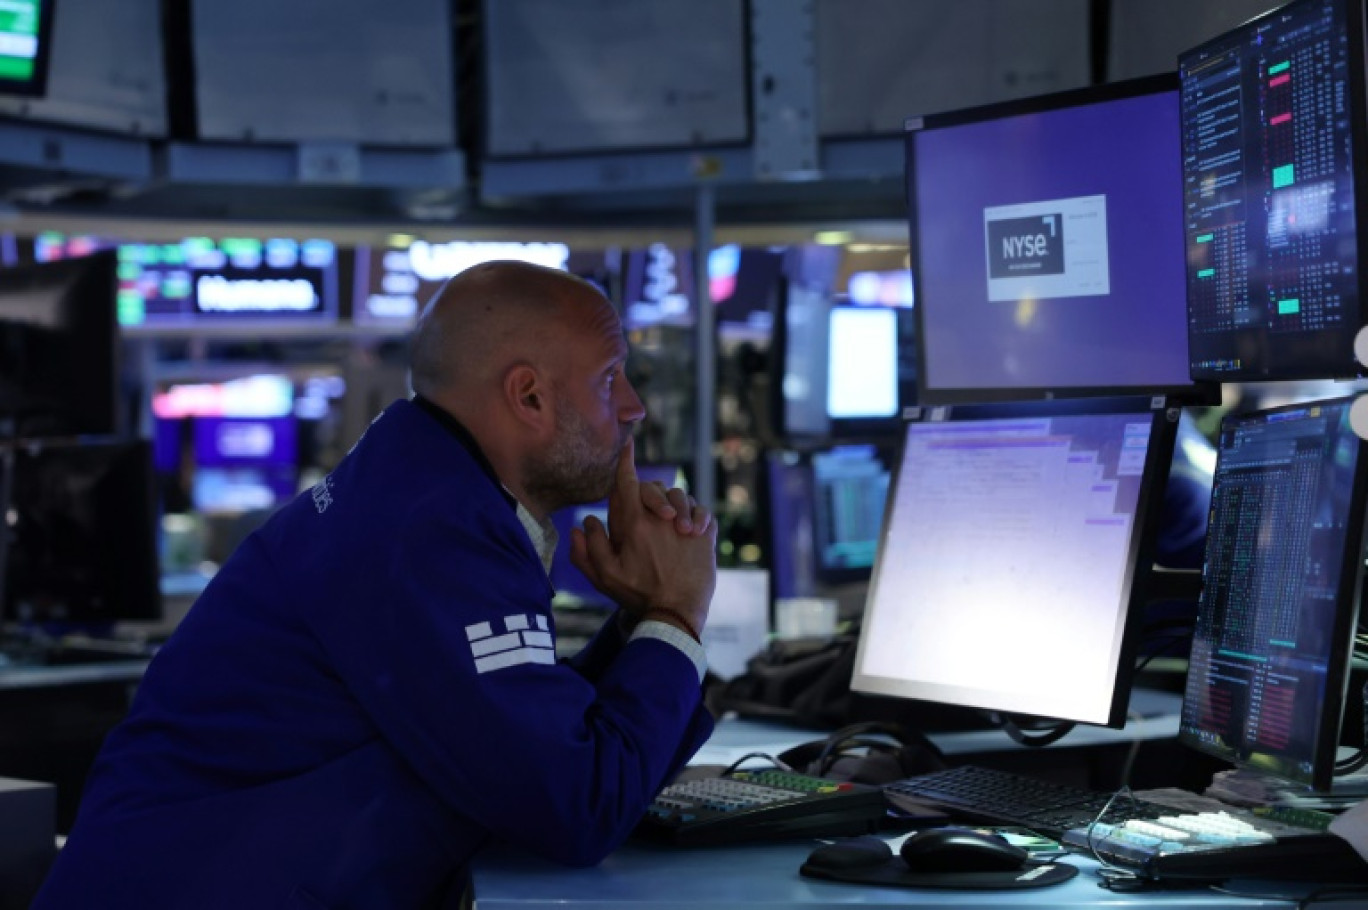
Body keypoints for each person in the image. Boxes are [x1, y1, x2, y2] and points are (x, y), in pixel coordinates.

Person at [33, 261, 720, 909]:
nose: (634, 408)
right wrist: (676, 613)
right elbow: (575, 807)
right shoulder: (429, 533)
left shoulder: (426, 495)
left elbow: (527, 741)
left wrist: (642, 621)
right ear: (529, 396)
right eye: (610, 378)